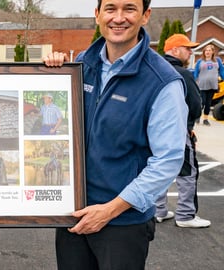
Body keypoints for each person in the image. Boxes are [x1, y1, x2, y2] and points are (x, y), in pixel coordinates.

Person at [43, 0, 188, 269]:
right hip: (73, 216)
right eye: (110, 8)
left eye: (129, 9)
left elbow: (168, 160)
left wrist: (109, 210)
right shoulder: (81, 64)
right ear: (97, 14)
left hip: (122, 225)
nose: (118, 18)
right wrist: (51, 71)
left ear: (145, 16)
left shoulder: (162, 81)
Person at [155, 34, 211, 228]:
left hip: (155, 131)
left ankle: (159, 210)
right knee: (187, 171)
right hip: (178, 130)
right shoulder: (182, 73)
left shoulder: (154, 69)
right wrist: (189, 126)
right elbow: (195, 104)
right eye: (187, 48)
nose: (190, 52)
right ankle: (186, 215)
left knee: (159, 167)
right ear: (175, 50)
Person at [193, 44, 224, 126]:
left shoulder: (218, 60)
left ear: (213, 52)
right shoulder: (200, 61)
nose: (207, 52)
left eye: (209, 50)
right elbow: (196, 72)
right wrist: (194, 81)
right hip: (202, 85)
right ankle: (197, 117)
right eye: (206, 50)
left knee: (208, 103)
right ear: (204, 52)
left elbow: (221, 72)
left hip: (213, 85)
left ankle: (205, 119)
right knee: (202, 102)